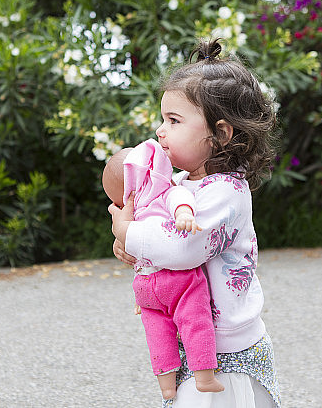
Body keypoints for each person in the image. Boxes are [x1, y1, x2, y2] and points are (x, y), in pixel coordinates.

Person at [109, 37, 281, 407]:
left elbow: (183, 247)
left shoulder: (228, 192)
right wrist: (130, 248)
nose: (160, 130)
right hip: (193, 334)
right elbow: (155, 231)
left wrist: (126, 230)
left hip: (228, 346)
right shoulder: (180, 183)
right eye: (162, 119)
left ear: (220, 134)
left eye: (173, 120)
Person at [102, 139, 225, 400]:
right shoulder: (165, 192)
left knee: (157, 335)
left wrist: (122, 233)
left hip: (145, 285)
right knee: (195, 320)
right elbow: (179, 200)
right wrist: (184, 215)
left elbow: (131, 241)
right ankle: (204, 376)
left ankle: (167, 387)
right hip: (177, 281)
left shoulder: (132, 212)